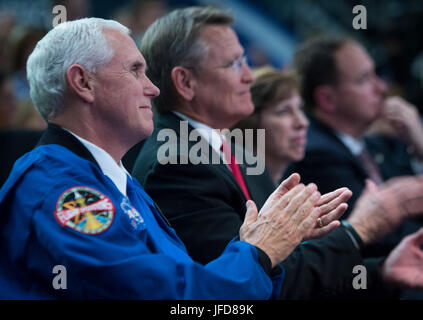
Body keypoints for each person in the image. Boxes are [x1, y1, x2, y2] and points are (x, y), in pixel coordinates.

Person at [0, 17, 331, 300]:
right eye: (135, 70)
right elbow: (170, 299)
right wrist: (258, 253)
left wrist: (257, 248)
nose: (153, 89)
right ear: (83, 82)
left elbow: (181, 280)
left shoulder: (110, 180)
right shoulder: (65, 193)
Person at [132, 6, 423, 299]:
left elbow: (288, 268)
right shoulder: (178, 164)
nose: (248, 75)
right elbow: (251, 288)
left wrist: (380, 271)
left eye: (244, 60)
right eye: (233, 64)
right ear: (185, 82)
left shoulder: (230, 150)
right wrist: (358, 229)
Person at [289, 36, 423, 260]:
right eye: (364, 80)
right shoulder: (317, 155)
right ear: (327, 99)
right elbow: (385, 239)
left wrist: (419, 145)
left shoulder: (375, 146)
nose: (381, 87)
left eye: (375, 74)